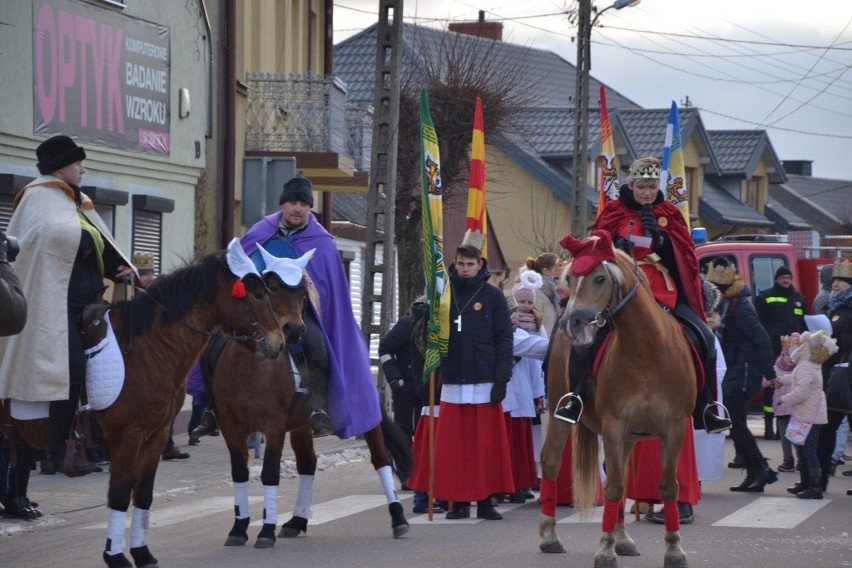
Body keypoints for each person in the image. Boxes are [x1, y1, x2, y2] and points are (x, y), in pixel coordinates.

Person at [192, 174, 380, 440]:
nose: (297, 209)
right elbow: (241, 267)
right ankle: (211, 409)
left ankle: (316, 410)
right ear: (283, 205)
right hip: (257, 310)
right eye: (292, 202)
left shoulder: (322, 242)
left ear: (309, 208)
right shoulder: (260, 232)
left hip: (298, 312)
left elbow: (326, 288)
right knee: (214, 343)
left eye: (303, 204)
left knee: (318, 347)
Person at [556, 156, 731, 435]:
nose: (647, 192)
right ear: (631, 185)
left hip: (664, 289)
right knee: (586, 338)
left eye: (651, 186)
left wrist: (661, 242)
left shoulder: (669, 213)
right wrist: (616, 245)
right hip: (621, 292)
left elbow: (684, 260)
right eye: (641, 186)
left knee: (705, 337)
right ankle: (576, 397)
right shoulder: (613, 212)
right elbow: (596, 250)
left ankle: (707, 406)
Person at [0, 135, 136, 484]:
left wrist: (116, 268)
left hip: (90, 302)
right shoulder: (37, 199)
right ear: (60, 166)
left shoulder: (81, 202)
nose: (83, 168)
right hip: (55, 305)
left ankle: (101, 440)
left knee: (128, 353)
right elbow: (44, 245)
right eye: (78, 163)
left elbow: (99, 246)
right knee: (70, 365)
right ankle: (56, 449)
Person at [427, 240, 514, 520]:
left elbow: (504, 339)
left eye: (471, 264)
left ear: (480, 265)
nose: (465, 269)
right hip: (453, 378)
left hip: (485, 379)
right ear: (455, 265)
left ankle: (486, 500)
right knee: (455, 447)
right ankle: (459, 501)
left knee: (485, 446)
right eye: (461, 264)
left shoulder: (493, 296)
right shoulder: (442, 295)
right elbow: (430, 338)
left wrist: (502, 378)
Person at [705, 257, 779, 493]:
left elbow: (763, 340)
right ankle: (754, 473)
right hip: (735, 369)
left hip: (745, 371)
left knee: (735, 423)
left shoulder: (740, 309)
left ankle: (762, 470)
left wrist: (770, 372)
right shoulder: (728, 307)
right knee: (736, 423)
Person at [775, 331, 836, 499]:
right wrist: (780, 379)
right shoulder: (808, 366)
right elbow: (794, 378)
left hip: (809, 415)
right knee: (802, 449)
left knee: (808, 450)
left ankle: (814, 487)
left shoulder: (806, 367)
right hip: (809, 414)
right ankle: (806, 482)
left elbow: (801, 392)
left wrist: (784, 399)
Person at [502, 272, 547, 503]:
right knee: (510, 437)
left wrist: (540, 392)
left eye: (529, 302)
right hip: (511, 384)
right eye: (521, 301)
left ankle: (522, 481)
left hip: (528, 385)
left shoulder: (538, 325)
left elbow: (540, 357)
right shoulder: (506, 323)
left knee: (524, 437)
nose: (525, 306)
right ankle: (509, 483)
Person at [755, 265, 806, 440]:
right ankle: (769, 428)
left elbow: (803, 324)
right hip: (772, 350)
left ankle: (783, 427)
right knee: (771, 388)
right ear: (776, 279)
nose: (786, 281)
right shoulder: (765, 297)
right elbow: (758, 324)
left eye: (789, 278)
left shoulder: (799, 298)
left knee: (789, 388)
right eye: (783, 277)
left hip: (793, 354)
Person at [815, 260, 852, 494]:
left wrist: (835, 339)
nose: (835, 284)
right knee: (826, 430)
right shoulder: (831, 305)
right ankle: (819, 482)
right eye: (834, 281)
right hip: (834, 375)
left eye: (841, 281)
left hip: (847, 376)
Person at [378, 297, 429, 441]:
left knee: (424, 426)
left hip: (427, 384)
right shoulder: (407, 324)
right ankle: (404, 460)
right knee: (402, 428)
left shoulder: (440, 325)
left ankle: (421, 461)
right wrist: (394, 377)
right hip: (405, 384)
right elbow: (385, 347)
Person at [771, 334, 803, 474]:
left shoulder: (778, 363)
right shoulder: (801, 366)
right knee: (796, 434)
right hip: (795, 406)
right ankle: (801, 460)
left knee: (785, 435)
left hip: (781, 405)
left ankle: (788, 461)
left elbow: (768, 379)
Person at [523, 253, 561, 333]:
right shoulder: (535, 291)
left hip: (549, 342)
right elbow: (534, 322)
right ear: (546, 271)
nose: (560, 271)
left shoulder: (553, 292)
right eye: (557, 267)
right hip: (540, 343)